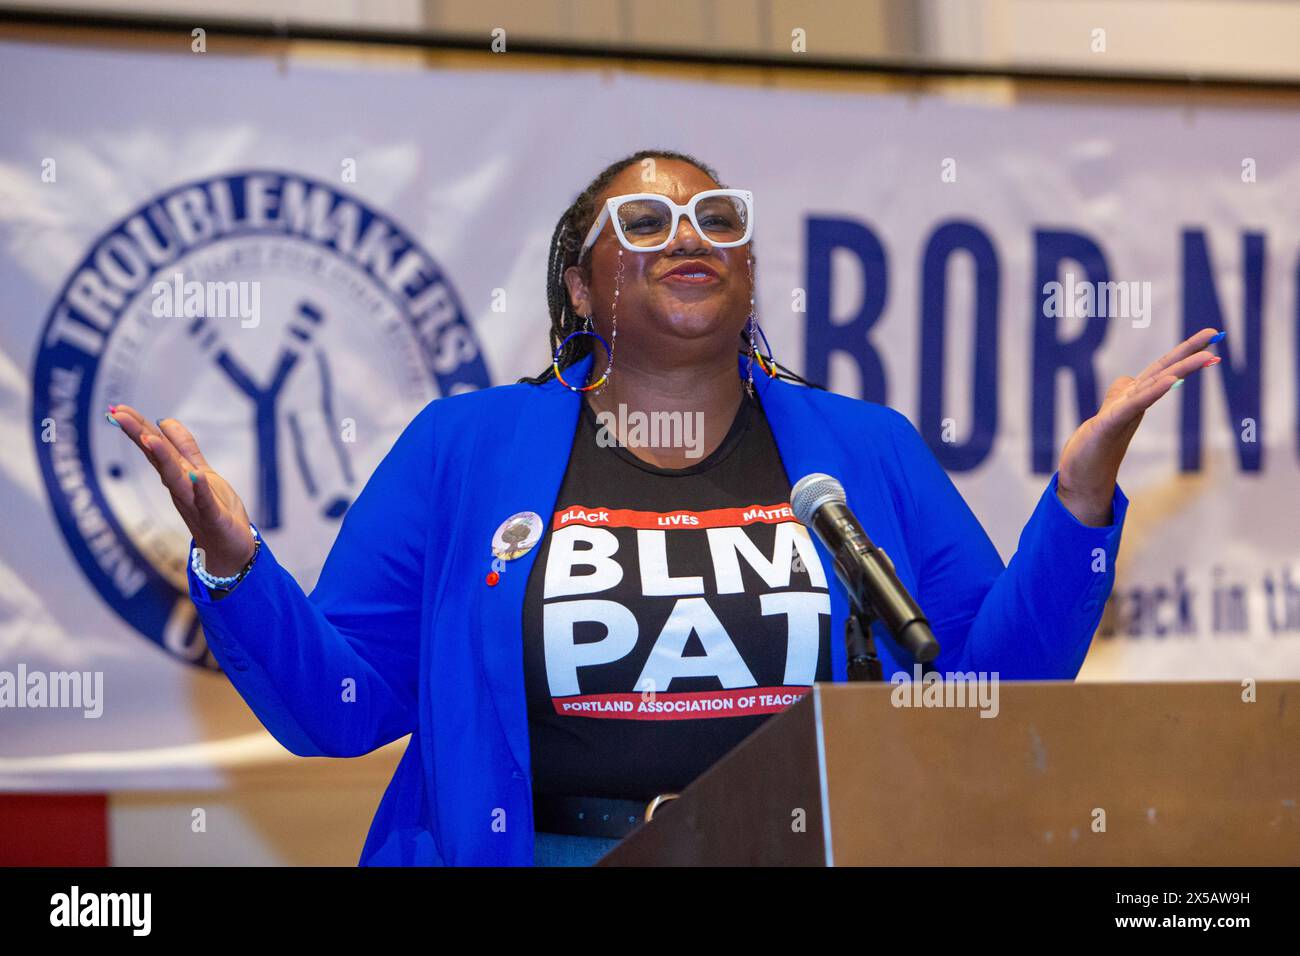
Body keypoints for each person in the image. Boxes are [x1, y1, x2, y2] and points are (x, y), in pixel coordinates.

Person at [107, 149, 1221, 867]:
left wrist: (1078, 501)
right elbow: (340, 709)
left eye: (714, 218)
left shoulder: (861, 447)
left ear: (745, 269)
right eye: (642, 221)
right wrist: (235, 563)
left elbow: (994, 686)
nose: (686, 234)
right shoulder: (466, 446)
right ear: (584, 288)